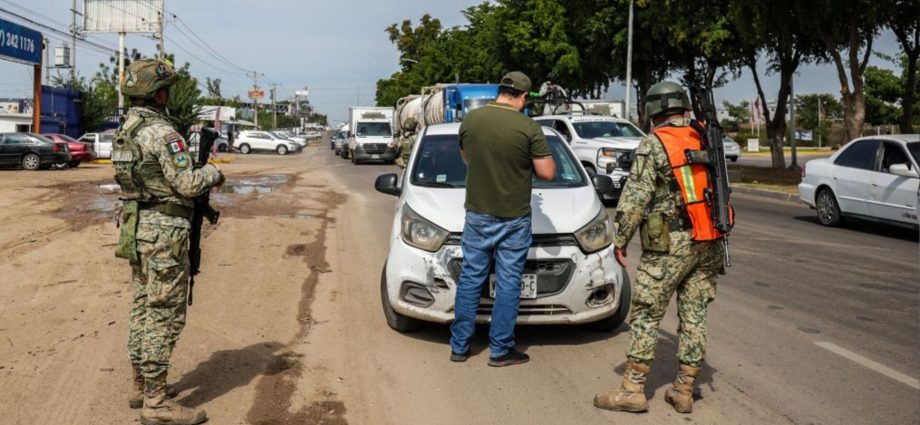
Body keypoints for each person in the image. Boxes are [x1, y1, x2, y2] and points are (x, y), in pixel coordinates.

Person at [593, 81, 727, 414]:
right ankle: (684, 390)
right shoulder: (704, 136)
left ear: (652, 109)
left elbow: (635, 198)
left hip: (669, 245)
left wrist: (620, 239)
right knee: (694, 314)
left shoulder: (655, 143)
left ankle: (633, 390)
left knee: (646, 314)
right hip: (709, 239)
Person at [112, 59, 224, 425]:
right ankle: (156, 403)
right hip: (164, 233)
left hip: (137, 226)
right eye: (166, 91)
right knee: (164, 314)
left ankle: (141, 386)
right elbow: (187, 184)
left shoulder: (125, 130)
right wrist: (214, 172)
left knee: (143, 306)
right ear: (158, 94)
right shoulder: (162, 133)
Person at [449, 71, 556, 367]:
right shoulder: (528, 127)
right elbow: (547, 173)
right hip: (514, 218)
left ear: (500, 91)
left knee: (471, 278)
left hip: (478, 214)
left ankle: (459, 346)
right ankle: (500, 349)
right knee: (508, 282)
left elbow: (466, 159)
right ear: (524, 96)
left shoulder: (471, 120)